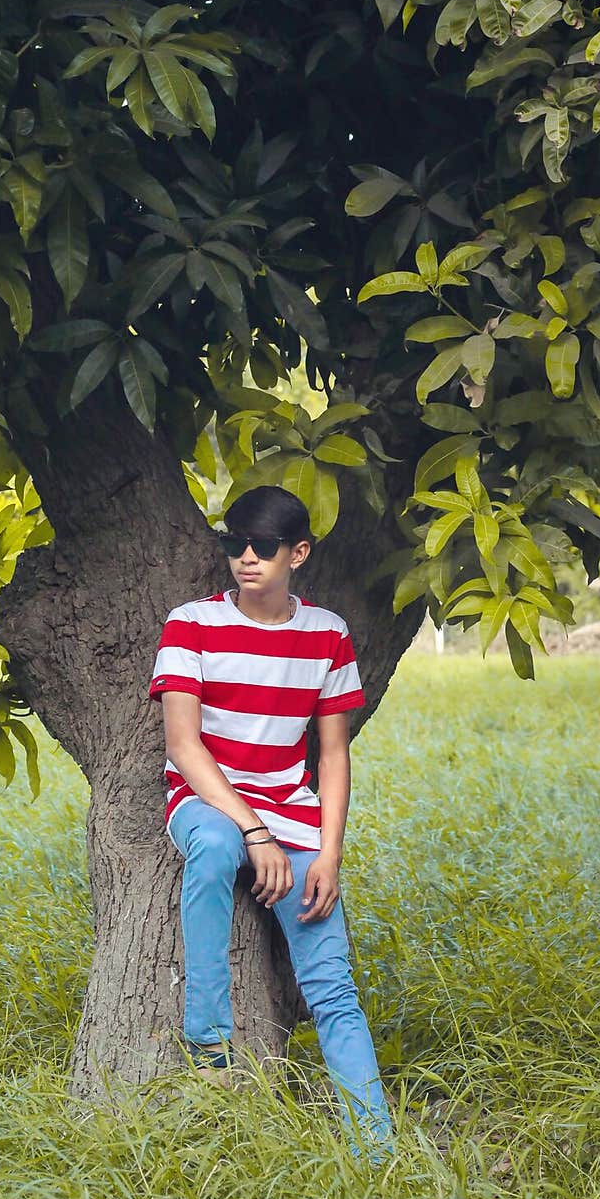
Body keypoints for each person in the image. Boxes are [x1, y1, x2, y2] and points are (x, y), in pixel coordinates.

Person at [148, 485, 394, 1160]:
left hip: (293, 814)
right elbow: (183, 746)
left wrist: (328, 853)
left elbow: (334, 753)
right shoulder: (189, 623)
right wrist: (254, 830)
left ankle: (377, 1153)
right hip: (206, 799)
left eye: (262, 547)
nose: (246, 559)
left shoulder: (326, 635)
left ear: (299, 553)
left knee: (333, 987)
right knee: (219, 846)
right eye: (235, 545)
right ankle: (208, 1041)